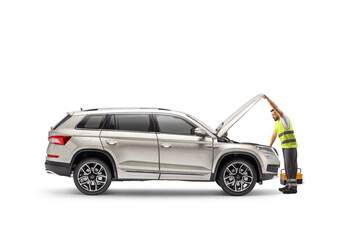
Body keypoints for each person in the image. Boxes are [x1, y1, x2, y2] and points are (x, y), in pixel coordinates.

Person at [264, 95, 298, 194]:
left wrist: (267, 99)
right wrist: (269, 146)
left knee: (291, 166)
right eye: (272, 115)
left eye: (274, 114)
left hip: (291, 147)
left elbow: (276, 107)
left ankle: (293, 188)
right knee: (287, 166)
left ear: (277, 113)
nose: (273, 117)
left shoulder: (284, 119)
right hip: (285, 147)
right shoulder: (277, 123)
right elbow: (274, 135)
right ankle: (288, 185)